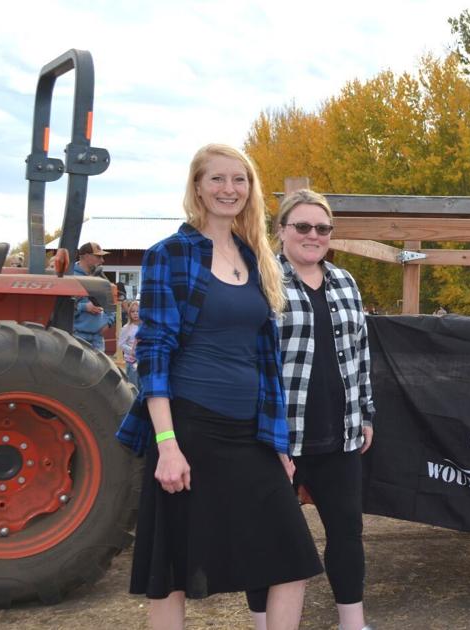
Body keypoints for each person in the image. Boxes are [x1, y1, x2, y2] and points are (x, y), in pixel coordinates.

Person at [115, 144, 321, 630]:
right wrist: (167, 445)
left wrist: (277, 441)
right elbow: (154, 352)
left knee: (293, 559)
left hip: (250, 431)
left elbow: (265, 358)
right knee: (173, 569)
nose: (230, 189)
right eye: (218, 179)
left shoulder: (258, 258)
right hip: (190, 428)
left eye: (240, 180)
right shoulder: (170, 254)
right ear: (198, 187)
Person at [244, 188, 375, 630]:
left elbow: (361, 354)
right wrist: (263, 434)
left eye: (322, 228)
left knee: (347, 532)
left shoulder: (345, 282)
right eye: (302, 226)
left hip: (339, 431)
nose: (312, 235)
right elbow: (252, 363)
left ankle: (352, 623)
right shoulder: (261, 282)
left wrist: (366, 413)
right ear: (281, 230)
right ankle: (264, 624)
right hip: (280, 436)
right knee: (268, 537)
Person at [72, 241, 113, 350]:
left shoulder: (101, 277)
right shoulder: (70, 277)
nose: (102, 260)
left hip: (97, 337)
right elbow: (63, 307)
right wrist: (85, 307)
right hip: (77, 335)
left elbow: (111, 302)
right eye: (98, 257)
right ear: (86, 256)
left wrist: (108, 323)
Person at [118, 299, 141, 388]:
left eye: (138, 311)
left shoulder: (145, 327)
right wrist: (131, 351)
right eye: (133, 311)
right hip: (132, 362)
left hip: (144, 361)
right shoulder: (126, 328)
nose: (135, 313)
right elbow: (121, 344)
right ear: (129, 313)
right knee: (133, 387)